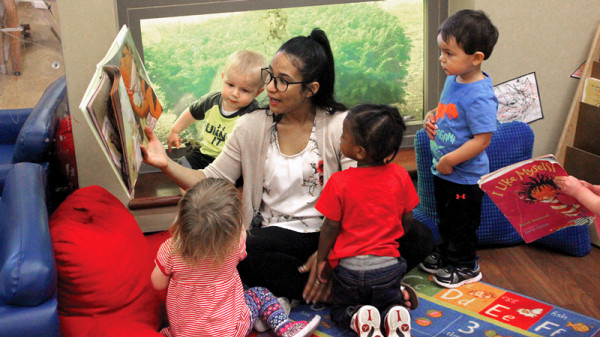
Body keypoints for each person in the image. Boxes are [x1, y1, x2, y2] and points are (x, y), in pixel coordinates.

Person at [142, 28, 432, 307]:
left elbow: (361, 196)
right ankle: (358, 288)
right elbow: (208, 178)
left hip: (337, 234)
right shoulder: (251, 126)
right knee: (240, 254)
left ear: (311, 89)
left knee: (420, 235)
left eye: (282, 80)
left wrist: (326, 254)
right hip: (275, 235)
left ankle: (341, 282)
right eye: (270, 75)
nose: (269, 87)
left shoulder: (338, 126)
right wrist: (164, 163)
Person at [151, 178, 321, 337]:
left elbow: (157, 283)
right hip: (232, 330)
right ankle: (286, 328)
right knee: (260, 294)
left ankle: (260, 319)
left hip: (185, 332)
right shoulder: (235, 245)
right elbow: (242, 235)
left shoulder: (171, 249)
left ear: (182, 219)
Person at [315, 104, 414, 337]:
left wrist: (322, 259)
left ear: (359, 152)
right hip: (388, 269)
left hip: (349, 271)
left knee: (339, 308)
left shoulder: (339, 182)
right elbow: (407, 218)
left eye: (344, 136)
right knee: (388, 298)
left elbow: (329, 227)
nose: (340, 139)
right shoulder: (400, 175)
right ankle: (394, 311)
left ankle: (356, 316)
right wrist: (393, 237)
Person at [419, 9, 499, 289]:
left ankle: (466, 265)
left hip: (464, 177)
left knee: (462, 224)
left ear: (476, 58)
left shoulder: (481, 96)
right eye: (441, 51)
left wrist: (450, 160)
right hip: (444, 171)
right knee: (446, 218)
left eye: (449, 53)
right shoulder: (454, 79)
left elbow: (482, 140)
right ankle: (446, 255)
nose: (441, 58)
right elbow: (447, 112)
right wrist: (432, 117)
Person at [167, 50, 267, 169]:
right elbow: (192, 112)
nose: (235, 93)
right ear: (223, 78)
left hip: (231, 162)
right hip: (204, 154)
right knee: (181, 169)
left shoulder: (253, 113)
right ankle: (192, 188)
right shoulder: (212, 100)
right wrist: (175, 131)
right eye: (230, 85)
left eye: (244, 90)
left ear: (257, 92)